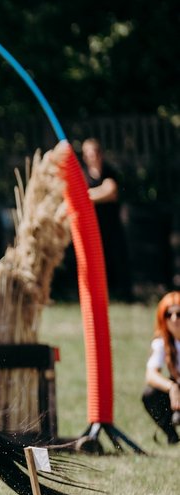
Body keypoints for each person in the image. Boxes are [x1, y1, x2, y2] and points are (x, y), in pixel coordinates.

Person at [81, 138, 131, 301]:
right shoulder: (83, 175)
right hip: (93, 226)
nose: (92, 157)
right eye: (88, 154)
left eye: (94, 153)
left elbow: (111, 192)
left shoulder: (109, 172)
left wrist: (87, 196)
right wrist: (98, 193)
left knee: (117, 258)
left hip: (111, 223)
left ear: (100, 154)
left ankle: (122, 294)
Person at [142, 291, 180, 445]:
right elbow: (151, 375)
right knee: (150, 394)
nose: (174, 319)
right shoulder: (162, 343)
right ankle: (172, 435)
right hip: (177, 387)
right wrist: (172, 387)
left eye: (179, 314)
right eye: (169, 314)